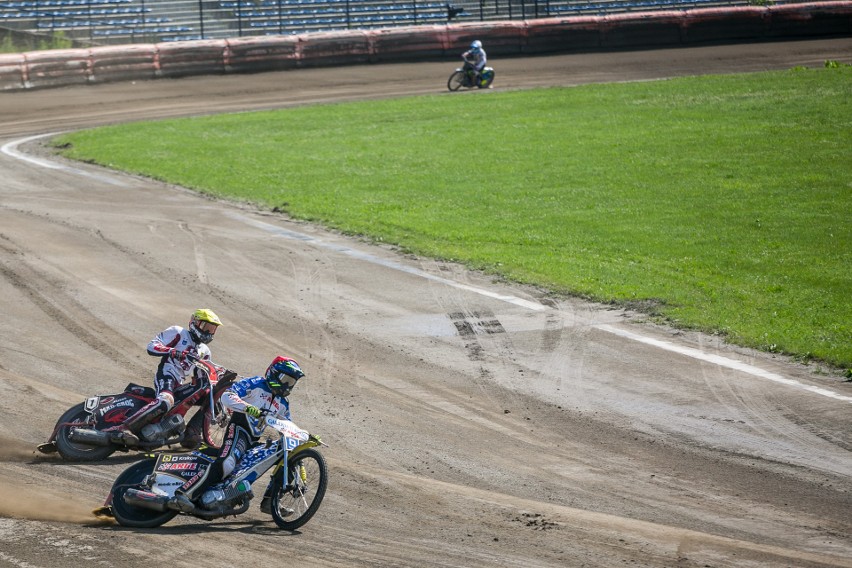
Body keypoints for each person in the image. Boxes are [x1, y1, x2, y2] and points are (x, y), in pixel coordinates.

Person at [169, 355, 305, 513]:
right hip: (238, 431)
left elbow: (286, 426)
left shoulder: (283, 404)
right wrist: (247, 407)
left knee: (287, 454)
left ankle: (270, 502)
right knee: (227, 464)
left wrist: (300, 436)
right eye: (286, 379)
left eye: (292, 382)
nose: (287, 386)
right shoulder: (255, 383)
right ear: (274, 373)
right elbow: (227, 396)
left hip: (253, 440)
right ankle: (184, 493)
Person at [112, 308, 223, 446]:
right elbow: (152, 346)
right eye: (206, 327)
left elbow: (202, 377)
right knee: (166, 400)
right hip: (167, 375)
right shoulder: (178, 332)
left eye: (212, 330)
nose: (208, 332)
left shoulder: (205, 351)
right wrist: (174, 352)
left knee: (215, 399)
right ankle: (125, 428)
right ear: (194, 323)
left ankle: (192, 432)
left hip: (180, 383)